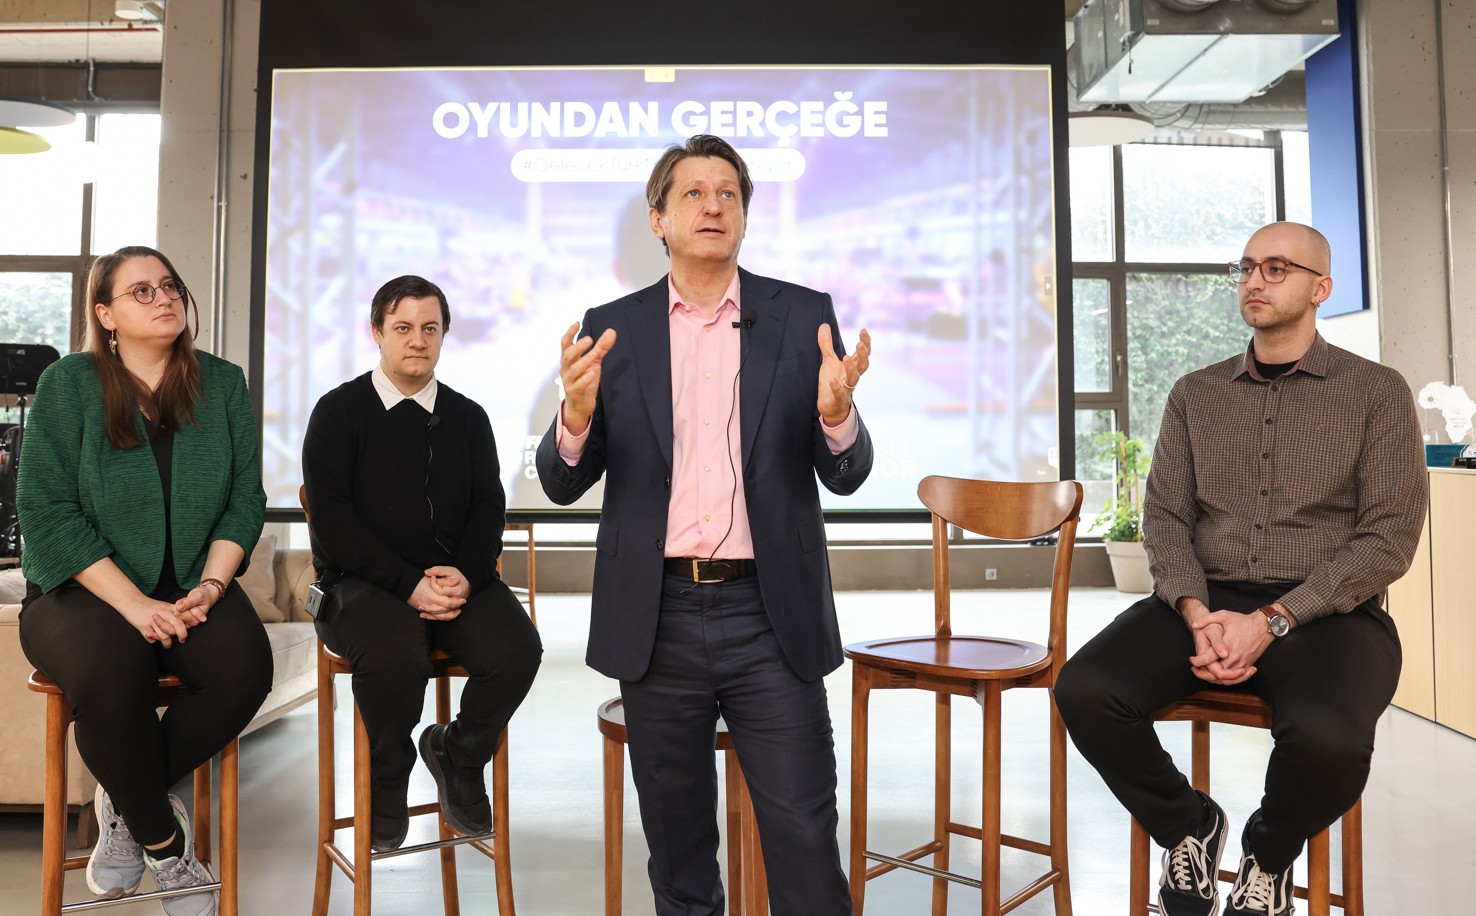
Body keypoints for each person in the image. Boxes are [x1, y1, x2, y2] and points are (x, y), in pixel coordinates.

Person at [536, 134, 874, 916]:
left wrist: (836, 416)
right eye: (693, 192)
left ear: (746, 216)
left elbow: (846, 474)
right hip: (657, 619)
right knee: (679, 851)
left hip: (771, 616)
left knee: (804, 838)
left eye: (728, 193)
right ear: (658, 219)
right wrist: (575, 417)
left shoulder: (803, 317)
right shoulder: (612, 328)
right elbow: (561, 482)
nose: (713, 205)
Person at [1054, 222, 1429, 916]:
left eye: (1276, 268)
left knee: (1330, 740)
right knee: (1085, 689)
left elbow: (1388, 538)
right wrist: (1196, 613)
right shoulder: (1196, 394)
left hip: (1328, 611)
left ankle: (1268, 854)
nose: (1254, 280)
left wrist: (1271, 621)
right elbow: (1167, 519)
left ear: (1320, 288)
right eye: (1247, 267)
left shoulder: (1376, 392)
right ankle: (1189, 827)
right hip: (1207, 599)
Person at [17, 245, 273, 916]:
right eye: (141, 291)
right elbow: (46, 510)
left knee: (245, 670)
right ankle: (165, 845)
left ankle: (128, 798)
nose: (164, 298)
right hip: (82, 590)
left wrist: (212, 587)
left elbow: (244, 499)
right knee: (111, 674)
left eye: (169, 286)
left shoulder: (222, 382)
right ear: (105, 315)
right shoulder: (68, 384)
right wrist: (133, 604)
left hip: (192, 584)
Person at [302, 275, 542, 852]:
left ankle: (458, 754)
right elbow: (333, 523)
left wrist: (469, 574)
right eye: (403, 327)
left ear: (443, 336)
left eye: (430, 328)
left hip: (453, 579)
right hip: (360, 583)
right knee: (394, 657)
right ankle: (389, 777)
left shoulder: (469, 417)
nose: (418, 340)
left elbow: (488, 506)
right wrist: (408, 584)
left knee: (518, 649)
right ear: (377, 332)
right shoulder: (337, 412)